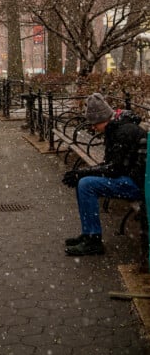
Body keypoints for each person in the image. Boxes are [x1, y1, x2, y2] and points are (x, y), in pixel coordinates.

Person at [62, 92, 147, 256]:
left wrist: (82, 173)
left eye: (95, 124)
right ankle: (89, 234)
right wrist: (82, 173)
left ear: (104, 119)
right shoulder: (116, 128)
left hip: (137, 184)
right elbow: (112, 166)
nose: (93, 128)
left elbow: (115, 169)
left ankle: (93, 239)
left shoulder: (124, 132)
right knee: (84, 182)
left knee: (86, 185)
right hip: (132, 179)